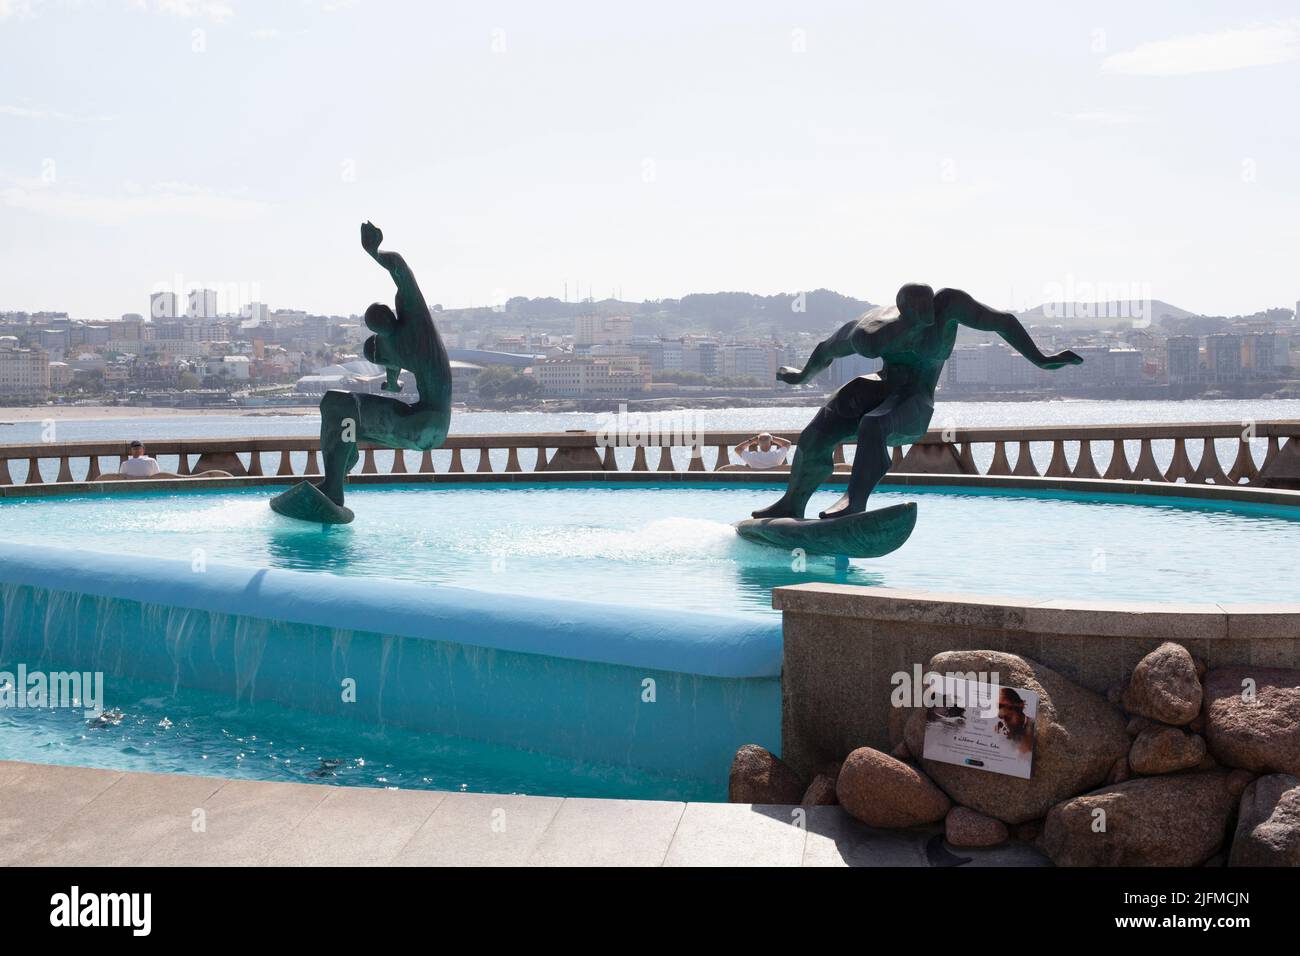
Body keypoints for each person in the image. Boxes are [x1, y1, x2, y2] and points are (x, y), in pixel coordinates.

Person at [753, 283, 1082, 521]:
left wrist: (1042, 359)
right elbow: (826, 350)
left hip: (916, 401)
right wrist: (798, 377)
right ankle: (792, 502)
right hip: (883, 388)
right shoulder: (868, 328)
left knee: (874, 423)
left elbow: (1001, 321)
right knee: (817, 432)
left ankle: (854, 501)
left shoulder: (948, 305)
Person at [270, 221, 452, 521]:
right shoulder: (393, 348)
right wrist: (391, 385)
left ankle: (335, 483)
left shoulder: (417, 327)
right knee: (341, 412)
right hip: (425, 427)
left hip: (426, 422)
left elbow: (402, 274)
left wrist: (375, 252)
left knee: (339, 404)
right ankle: (339, 470)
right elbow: (392, 376)